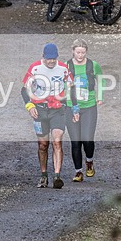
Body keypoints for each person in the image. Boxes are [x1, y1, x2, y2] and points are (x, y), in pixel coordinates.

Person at [21, 43, 76, 189]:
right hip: (40, 110)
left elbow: (72, 89)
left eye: (54, 58)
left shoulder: (63, 69)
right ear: (43, 57)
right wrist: (30, 106)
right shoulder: (35, 68)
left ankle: (57, 176)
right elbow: (24, 90)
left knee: (57, 141)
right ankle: (44, 176)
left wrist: (74, 108)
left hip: (58, 110)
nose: (51, 61)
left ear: (57, 57)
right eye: (49, 59)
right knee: (43, 145)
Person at [65, 39, 103, 182]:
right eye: (78, 52)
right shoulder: (67, 66)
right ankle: (78, 172)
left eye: (83, 52)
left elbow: (101, 80)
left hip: (89, 106)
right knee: (75, 141)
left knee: (87, 138)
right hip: (71, 106)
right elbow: (64, 86)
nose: (80, 55)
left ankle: (89, 161)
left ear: (86, 52)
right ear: (73, 51)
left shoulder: (93, 65)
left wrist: (100, 96)